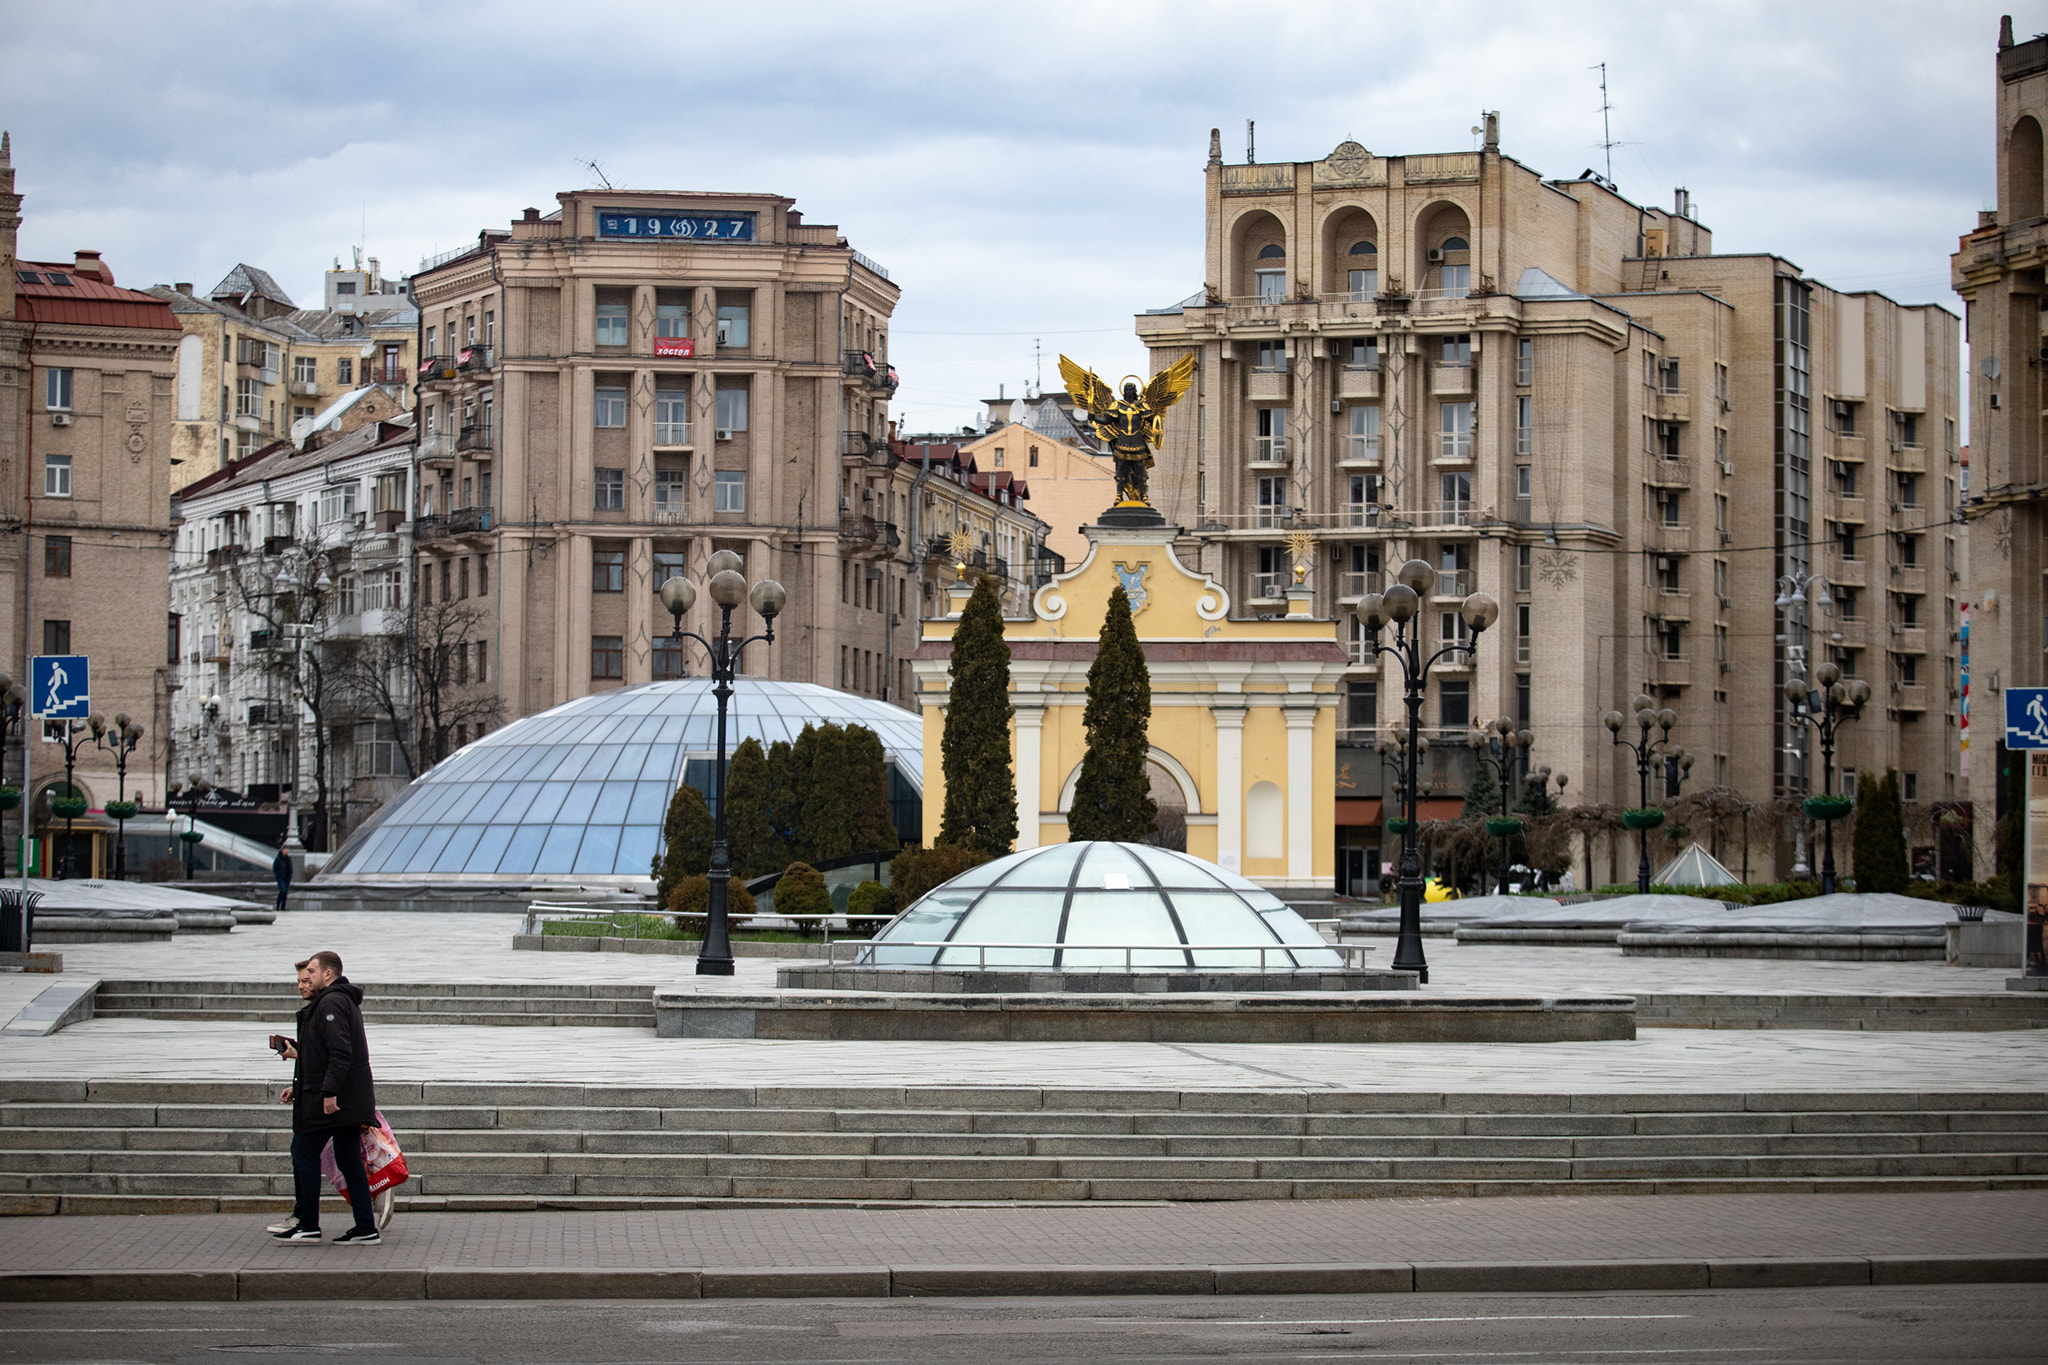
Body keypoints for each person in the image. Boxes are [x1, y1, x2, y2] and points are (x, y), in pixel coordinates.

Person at [273, 949, 380, 1243]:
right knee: (348, 1160)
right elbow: (324, 1056)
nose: (304, 981)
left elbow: (340, 1052)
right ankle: (365, 1227)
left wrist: (329, 1091)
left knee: (304, 1152)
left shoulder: (331, 1002)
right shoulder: (336, 1002)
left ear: (328, 974)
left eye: (311, 972)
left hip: (332, 1102)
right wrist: (300, 1085)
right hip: (340, 1098)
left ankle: (308, 1223)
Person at [272, 842, 293, 914]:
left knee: (285, 892)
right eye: (286, 850)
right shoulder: (278, 859)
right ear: (282, 850)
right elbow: (275, 868)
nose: (287, 852)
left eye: (288, 850)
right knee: (282, 890)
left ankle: (283, 906)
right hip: (281, 877)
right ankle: (278, 905)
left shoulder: (288, 859)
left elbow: (290, 867)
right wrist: (278, 875)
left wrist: (290, 875)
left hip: (287, 878)